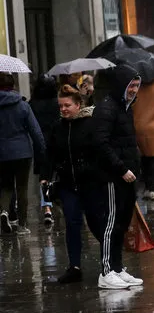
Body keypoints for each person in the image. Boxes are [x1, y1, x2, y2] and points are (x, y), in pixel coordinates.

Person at [40, 85, 106, 283]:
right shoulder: (57, 127)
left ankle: (109, 262)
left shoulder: (91, 124)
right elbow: (49, 153)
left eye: (67, 105)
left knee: (96, 223)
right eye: (60, 106)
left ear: (78, 105)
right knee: (72, 222)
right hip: (68, 184)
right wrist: (45, 175)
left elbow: (101, 150)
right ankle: (74, 266)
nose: (63, 109)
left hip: (90, 182)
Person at [92, 64, 144, 289]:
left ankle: (116, 267)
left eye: (136, 85)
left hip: (127, 175)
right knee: (111, 223)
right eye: (131, 85)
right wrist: (121, 169)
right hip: (114, 176)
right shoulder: (107, 108)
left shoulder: (124, 107)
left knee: (122, 223)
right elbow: (101, 143)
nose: (134, 90)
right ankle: (106, 271)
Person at [0, 73, 46, 234]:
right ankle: (22, 225)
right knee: (21, 188)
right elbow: (35, 131)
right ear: (13, 86)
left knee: (5, 186)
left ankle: (4, 212)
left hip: (2, 153)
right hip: (22, 153)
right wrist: (42, 151)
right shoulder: (22, 105)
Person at [30, 74, 59, 226]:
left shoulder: (32, 104)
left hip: (40, 144)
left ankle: (47, 207)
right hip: (57, 142)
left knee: (44, 177)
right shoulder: (58, 103)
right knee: (58, 173)